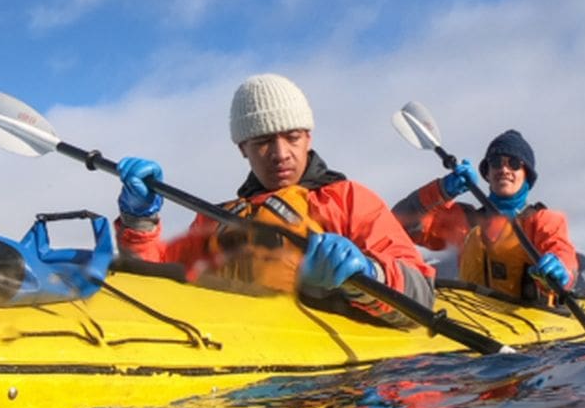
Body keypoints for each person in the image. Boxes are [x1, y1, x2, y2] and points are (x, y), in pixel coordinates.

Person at [112, 73, 435, 324]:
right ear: (242, 148)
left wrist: (369, 272)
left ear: (308, 137)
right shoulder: (215, 219)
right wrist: (139, 220)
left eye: (293, 137)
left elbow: (421, 296)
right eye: (264, 142)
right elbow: (154, 282)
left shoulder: (349, 200)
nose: (281, 154)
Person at [392, 128, 578, 303]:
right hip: (475, 318)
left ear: (526, 175)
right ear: (487, 173)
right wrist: (442, 189)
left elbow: (563, 255)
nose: (504, 169)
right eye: (496, 162)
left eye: (513, 164)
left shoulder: (544, 220)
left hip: (532, 321)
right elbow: (398, 224)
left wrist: (562, 271)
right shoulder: (465, 221)